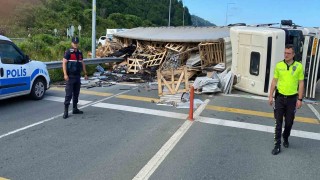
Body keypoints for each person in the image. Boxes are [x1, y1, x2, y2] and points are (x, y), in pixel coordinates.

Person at [268, 44, 304, 155]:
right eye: (285, 53)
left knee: (289, 123)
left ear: (293, 54)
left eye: (288, 53)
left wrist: (300, 99)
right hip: (279, 98)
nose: (286, 55)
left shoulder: (298, 66)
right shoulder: (279, 65)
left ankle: (286, 136)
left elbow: (301, 83)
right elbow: (274, 81)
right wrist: (270, 95)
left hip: (292, 99)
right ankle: (277, 145)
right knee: (278, 122)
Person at [62, 37, 88, 119]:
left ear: (78, 44)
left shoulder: (80, 53)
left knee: (76, 94)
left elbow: (82, 63)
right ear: (71, 43)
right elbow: (64, 63)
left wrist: (85, 73)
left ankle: (75, 108)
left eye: (76, 43)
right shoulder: (68, 52)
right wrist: (65, 74)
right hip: (70, 77)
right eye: (74, 43)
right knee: (68, 94)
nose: (75, 44)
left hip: (77, 76)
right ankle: (66, 111)